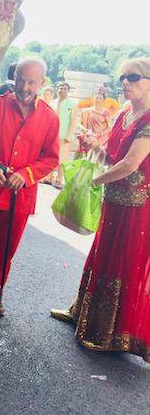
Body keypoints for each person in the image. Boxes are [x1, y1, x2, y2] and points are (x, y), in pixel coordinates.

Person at [51, 58, 149, 362]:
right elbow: (114, 156)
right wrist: (94, 147)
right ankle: (83, 314)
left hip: (135, 209)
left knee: (123, 264)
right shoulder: (124, 115)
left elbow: (131, 164)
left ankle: (110, 333)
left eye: (133, 77)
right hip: (113, 200)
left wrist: (95, 179)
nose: (125, 83)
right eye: (123, 77)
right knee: (101, 256)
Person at [0, 56, 59, 316]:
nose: (25, 86)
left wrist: (28, 174)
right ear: (15, 77)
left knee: (7, 246)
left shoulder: (50, 118)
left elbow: (51, 158)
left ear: (42, 83)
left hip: (21, 193)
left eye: (31, 82)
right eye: (21, 79)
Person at [73, 89, 113, 157]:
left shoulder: (106, 113)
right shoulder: (86, 111)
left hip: (100, 139)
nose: (98, 99)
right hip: (88, 136)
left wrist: (100, 134)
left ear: (103, 100)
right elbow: (80, 124)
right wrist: (85, 131)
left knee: (96, 158)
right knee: (83, 157)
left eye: (100, 98)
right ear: (94, 98)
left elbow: (109, 127)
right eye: (97, 97)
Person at [54, 82, 75, 187]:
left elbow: (73, 121)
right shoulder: (53, 102)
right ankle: (47, 177)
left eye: (65, 89)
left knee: (62, 158)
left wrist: (68, 136)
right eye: (60, 88)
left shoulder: (72, 104)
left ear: (68, 91)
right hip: (51, 134)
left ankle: (59, 178)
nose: (62, 90)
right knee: (49, 156)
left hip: (63, 135)